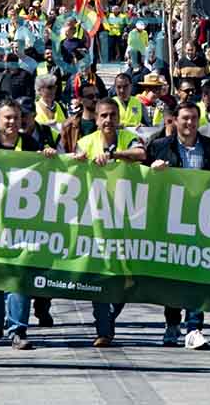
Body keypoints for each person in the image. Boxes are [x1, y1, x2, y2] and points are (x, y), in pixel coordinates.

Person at [0, 100, 58, 350]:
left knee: (18, 278)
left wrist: (49, 156)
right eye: (7, 118)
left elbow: (49, 173)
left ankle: (17, 330)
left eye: (16, 118)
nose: (11, 122)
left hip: (22, 224)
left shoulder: (30, 144)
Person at [145, 102, 210, 348]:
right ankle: (172, 323)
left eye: (193, 118)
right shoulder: (159, 147)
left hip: (201, 219)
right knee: (173, 275)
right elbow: (140, 177)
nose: (189, 123)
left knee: (196, 274)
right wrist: (152, 169)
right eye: (185, 119)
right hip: (170, 219)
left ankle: (194, 327)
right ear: (175, 121)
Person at [72, 99, 144, 345]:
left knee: (129, 277)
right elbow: (73, 165)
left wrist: (114, 154)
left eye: (112, 115)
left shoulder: (127, 138)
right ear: (96, 118)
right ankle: (103, 329)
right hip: (96, 220)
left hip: (127, 218)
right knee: (101, 273)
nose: (108, 120)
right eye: (103, 116)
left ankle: (110, 317)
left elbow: (141, 154)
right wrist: (79, 160)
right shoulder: (86, 142)